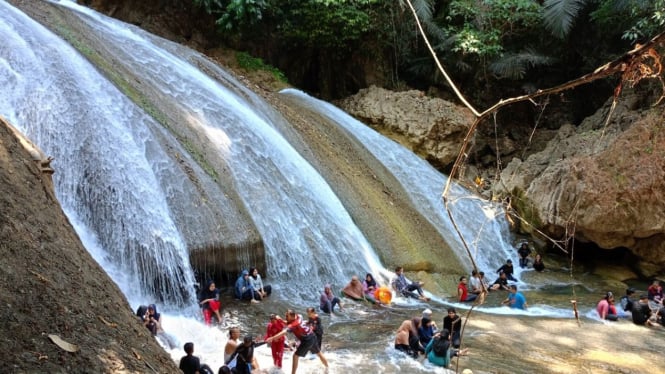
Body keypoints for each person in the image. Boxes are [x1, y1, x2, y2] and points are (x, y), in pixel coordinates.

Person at [265, 309, 329, 374]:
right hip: (312, 335)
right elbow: (288, 323)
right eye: (286, 315)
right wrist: (281, 320)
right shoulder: (299, 316)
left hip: (307, 340)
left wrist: (272, 338)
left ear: (292, 316)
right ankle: (328, 368)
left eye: (287, 316)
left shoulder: (294, 325)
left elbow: (284, 332)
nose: (286, 317)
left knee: (295, 356)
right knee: (319, 353)